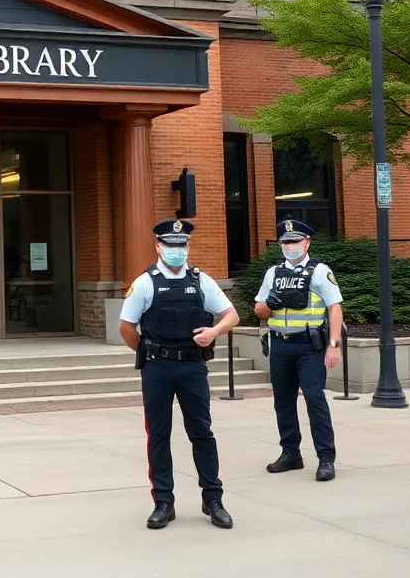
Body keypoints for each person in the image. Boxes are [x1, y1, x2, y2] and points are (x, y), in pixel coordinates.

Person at [119, 219, 241, 530]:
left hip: (192, 367)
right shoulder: (145, 283)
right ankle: (163, 501)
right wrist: (150, 352)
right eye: (171, 245)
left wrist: (213, 332)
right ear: (158, 247)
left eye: (182, 245)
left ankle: (213, 498)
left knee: (202, 432)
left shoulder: (202, 281)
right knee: (159, 435)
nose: (177, 251)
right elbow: (126, 327)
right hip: (158, 368)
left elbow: (232, 315)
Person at [254, 219, 344, 482]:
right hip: (280, 344)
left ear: (307, 242)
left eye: (295, 241)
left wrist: (334, 345)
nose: (290, 246)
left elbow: (334, 308)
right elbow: (259, 310)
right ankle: (290, 453)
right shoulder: (272, 273)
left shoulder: (319, 271)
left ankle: (326, 458)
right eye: (286, 242)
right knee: (283, 401)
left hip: (309, 346)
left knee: (315, 398)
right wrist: (270, 302)